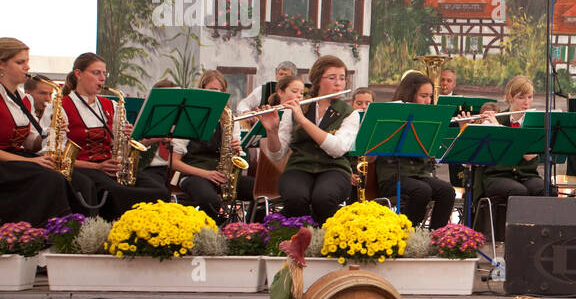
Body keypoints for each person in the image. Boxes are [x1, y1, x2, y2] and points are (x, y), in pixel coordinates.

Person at [48, 52, 170, 218]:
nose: (102, 78)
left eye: (104, 73)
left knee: (159, 190)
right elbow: (57, 156)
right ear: (78, 74)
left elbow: (121, 147)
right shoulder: (61, 106)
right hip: (82, 169)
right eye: (96, 73)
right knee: (118, 191)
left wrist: (127, 137)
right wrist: (97, 166)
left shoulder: (111, 105)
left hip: (111, 167)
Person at [260, 55, 359, 223]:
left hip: (334, 169)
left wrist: (303, 121)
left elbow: (337, 149)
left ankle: (323, 241)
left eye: (342, 78)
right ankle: (299, 238)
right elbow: (277, 154)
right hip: (299, 168)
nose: (338, 83)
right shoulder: (297, 107)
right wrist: (272, 131)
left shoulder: (350, 113)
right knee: (295, 197)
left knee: (323, 197)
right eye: (332, 78)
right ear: (317, 80)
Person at [0, 38, 80, 224]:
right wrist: (35, 161)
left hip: (17, 160)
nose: (27, 67)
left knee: (78, 180)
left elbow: (28, 140)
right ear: (1, 65)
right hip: (5, 165)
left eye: (27, 62)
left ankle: (78, 233)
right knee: (49, 178)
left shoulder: (23, 98)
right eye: (20, 62)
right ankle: (39, 233)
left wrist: (51, 131)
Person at [373, 71, 456, 229]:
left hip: (418, 175)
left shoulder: (428, 120)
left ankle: (434, 237)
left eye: (430, 96)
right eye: (423, 96)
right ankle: (408, 235)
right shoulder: (392, 114)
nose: (428, 101)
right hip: (392, 176)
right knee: (422, 190)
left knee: (447, 191)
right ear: (409, 94)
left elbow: (431, 153)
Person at [167, 70, 252, 222]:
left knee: (256, 190)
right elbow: (174, 162)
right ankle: (212, 235)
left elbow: (235, 160)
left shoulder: (230, 119)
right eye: (213, 90)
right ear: (202, 91)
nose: (218, 94)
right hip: (194, 175)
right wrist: (206, 174)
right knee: (210, 200)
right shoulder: (189, 116)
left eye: (222, 91)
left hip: (223, 176)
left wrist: (235, 151)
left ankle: (249, 232)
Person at [481, 74, 544, 201]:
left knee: (546, 189)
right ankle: (513, 222)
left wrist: (498, 128)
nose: (526, 102)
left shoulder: (534, 122)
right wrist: (490, 125)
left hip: (526, 175)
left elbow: (529, 155)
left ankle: (536, 222)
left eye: (530, 97)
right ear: (510, 97)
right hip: (497, 176)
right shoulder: (495, 120)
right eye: (521, 97)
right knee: (518, 191)